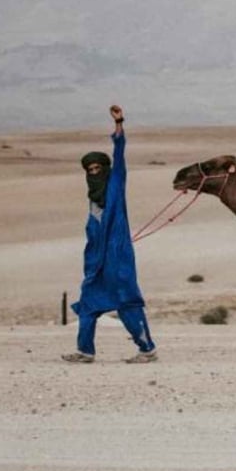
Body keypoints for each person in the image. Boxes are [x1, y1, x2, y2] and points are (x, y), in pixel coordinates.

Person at [63, 104, 157, 363]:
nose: (95, 173)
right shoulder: (93, 199)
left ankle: (147, 349)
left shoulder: (115, 185)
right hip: (96, 263)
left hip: (118, 259)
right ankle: (85, 351)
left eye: (98, 168)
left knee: (127, 303)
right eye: (90, 170)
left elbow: (119, 151)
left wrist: (119, 123)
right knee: (88, 304)